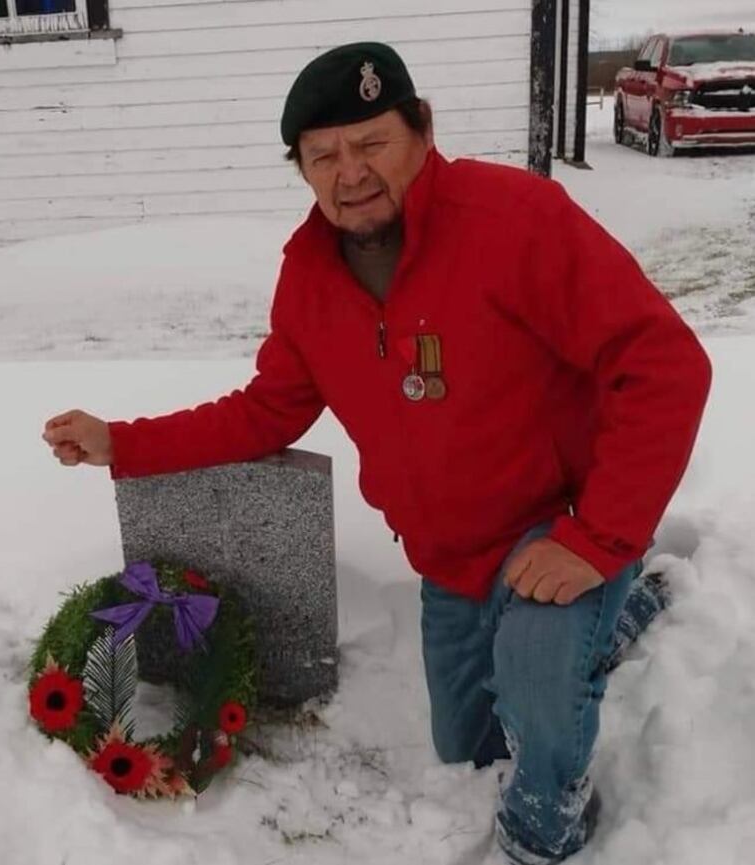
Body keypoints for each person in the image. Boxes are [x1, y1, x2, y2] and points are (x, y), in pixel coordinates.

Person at [42, 42, 711, 864]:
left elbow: (665, 365)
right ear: (302, 170)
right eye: (322, 155)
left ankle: (548, 824)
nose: (349, 172)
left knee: (538, 700)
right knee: (466, 744)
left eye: (370, 143)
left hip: (559, 525)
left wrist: (599, 537)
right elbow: (265, 411)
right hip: (450, 560)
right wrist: (123, 442)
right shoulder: (310, 280)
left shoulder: (516, 220)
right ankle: (613, 620)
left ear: (422, 131)